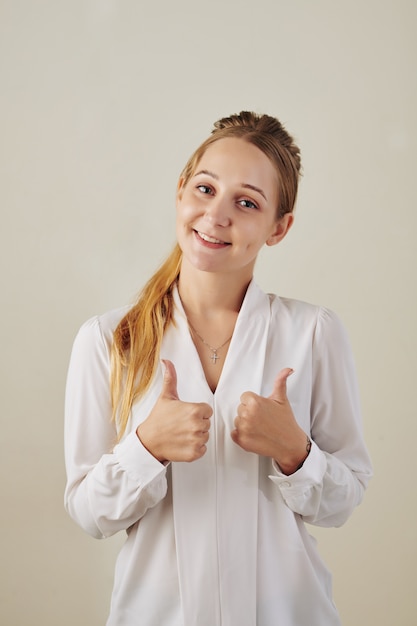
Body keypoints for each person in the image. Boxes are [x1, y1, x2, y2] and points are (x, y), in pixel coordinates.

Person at [64, 111, 372, 626]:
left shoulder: (313, 333)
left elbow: (343, 500)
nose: (217, 214)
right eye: (205, 189)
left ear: (279, 228)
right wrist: (146, 449)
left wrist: (295, 452)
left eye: (246, 202)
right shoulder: (108, 340)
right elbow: (89, 512)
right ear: (181, 191)